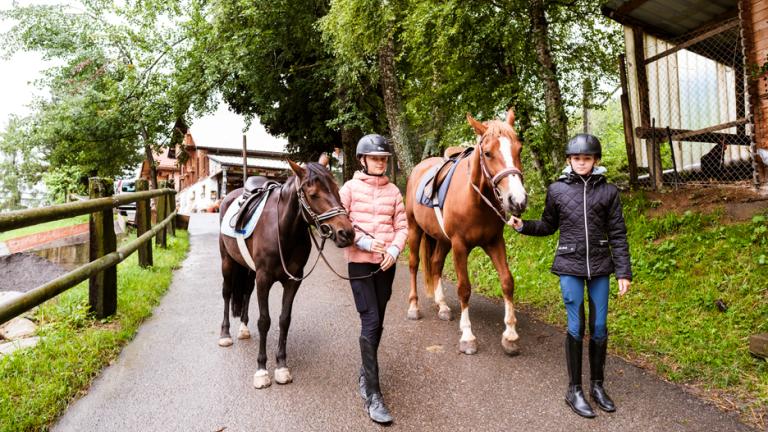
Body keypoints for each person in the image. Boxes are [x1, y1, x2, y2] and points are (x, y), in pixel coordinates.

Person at [508, 133, 632, 418]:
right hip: (569, 265)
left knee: (599, 327)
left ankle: (597, 386)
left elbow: (617, 234)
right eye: (576, 158)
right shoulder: (557, 190)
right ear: (569, 160)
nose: (581, 163)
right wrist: (523, 225)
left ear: (595, 160)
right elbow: (548, 225)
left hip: (601, 266)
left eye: (587, 158)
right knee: (576, 326)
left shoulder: (609, 192)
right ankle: (574, 389)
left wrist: (623, 271)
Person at [339, 134, 407, 424]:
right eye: (375, 158)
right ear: (362, 160)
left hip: (385, 267)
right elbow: (340, 226)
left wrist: (394, 248)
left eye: (384, 159)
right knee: (370, 320)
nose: (380, 162)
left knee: (378, 321)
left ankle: (366, 371)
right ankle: (373, 395)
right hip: (359, 265)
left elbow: (402, 226)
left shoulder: (394, 191)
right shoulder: (349, 189)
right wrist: (364, 244)